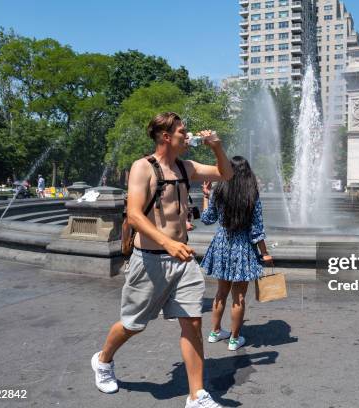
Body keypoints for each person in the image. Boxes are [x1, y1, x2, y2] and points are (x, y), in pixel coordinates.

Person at [91, 112, 233, 408]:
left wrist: (217, 147)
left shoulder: (186, 167)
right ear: (166, 137)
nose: (188, 134)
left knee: (193, 322)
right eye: (183, 131)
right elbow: (133, 214)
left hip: (183, 258)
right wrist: (167, 243)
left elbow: (226, 174)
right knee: (133, 324)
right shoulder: (143, 167)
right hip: (151, 260)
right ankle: (103, 360)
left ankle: (196, 395)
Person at [200, 157, 273, 352]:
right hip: (242, 246)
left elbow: (207, 219)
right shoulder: (251, 194)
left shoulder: (220, 190)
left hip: (222, 244)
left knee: (220, 293)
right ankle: (234, 338)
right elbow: (257, 230)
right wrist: (265, 253)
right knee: (239, 296)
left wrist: (206, 196)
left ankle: (215, 332)